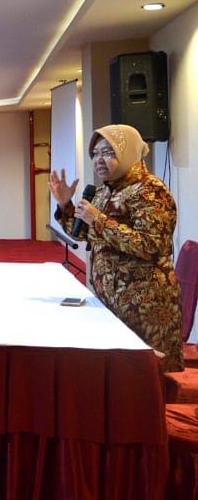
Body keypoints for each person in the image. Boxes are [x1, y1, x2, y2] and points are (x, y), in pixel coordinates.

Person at [51, 123, 183, 371]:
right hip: (111, 298)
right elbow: (85, 235)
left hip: (143, 305)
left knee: (142, 379)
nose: (99, 160)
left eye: (109, 152)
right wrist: (66, 205)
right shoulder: (103, 192)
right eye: (96, 153)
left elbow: (151, 244)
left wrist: (98, 219)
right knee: (118, 376)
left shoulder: (150, 191)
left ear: (129, 153)